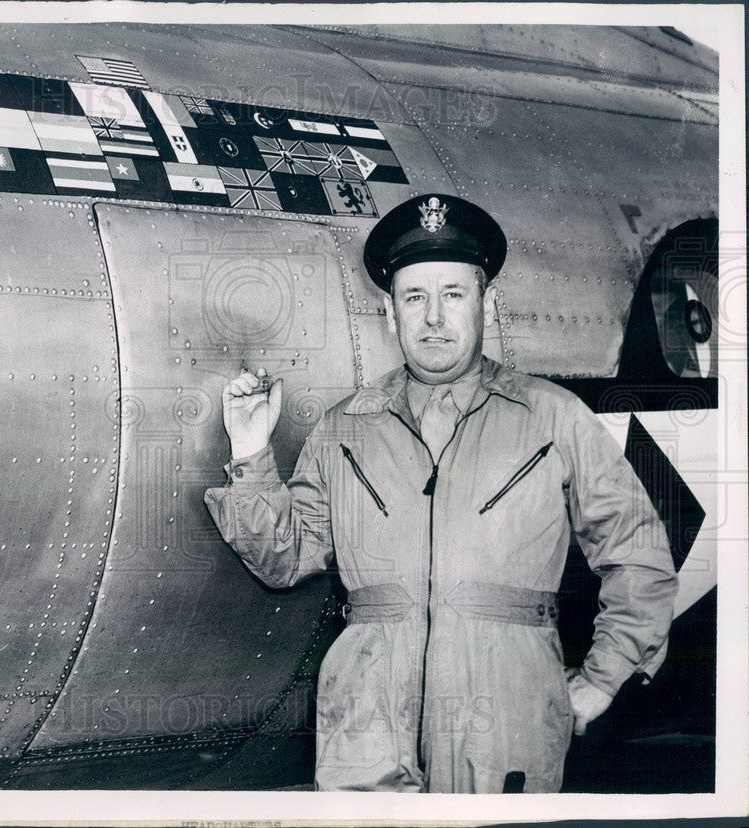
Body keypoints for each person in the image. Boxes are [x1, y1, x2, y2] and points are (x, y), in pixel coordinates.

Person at [203, 194, 678, 793]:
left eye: (453, 294)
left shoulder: (552, 417)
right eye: (415, 297)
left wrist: (604, 677)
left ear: (487, 301)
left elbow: (637, 551)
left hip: (506, 716)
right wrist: (251, 453)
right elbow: (286, 558)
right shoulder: (346, 427)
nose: (434, 318)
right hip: (366, 724)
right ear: (388, 310)